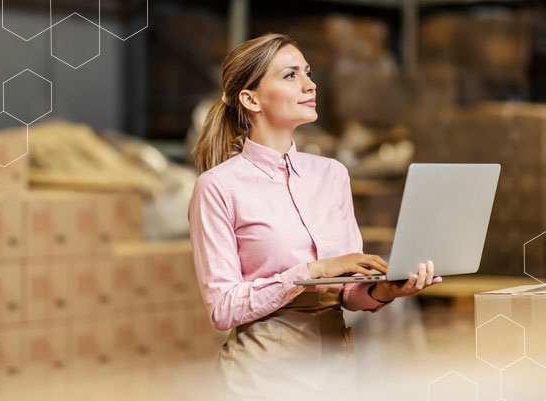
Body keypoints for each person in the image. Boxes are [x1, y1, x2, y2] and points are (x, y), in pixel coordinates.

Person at [187, 33, 443, 401]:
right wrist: (315, 270)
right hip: (263, 379)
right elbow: (223, 308)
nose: (310, 84)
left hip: (337, 373)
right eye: (291, 75)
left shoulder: (332, 174)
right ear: (250, 98)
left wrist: (385, 289)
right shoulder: (218, 187)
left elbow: (348, 293)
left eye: (307, 72)